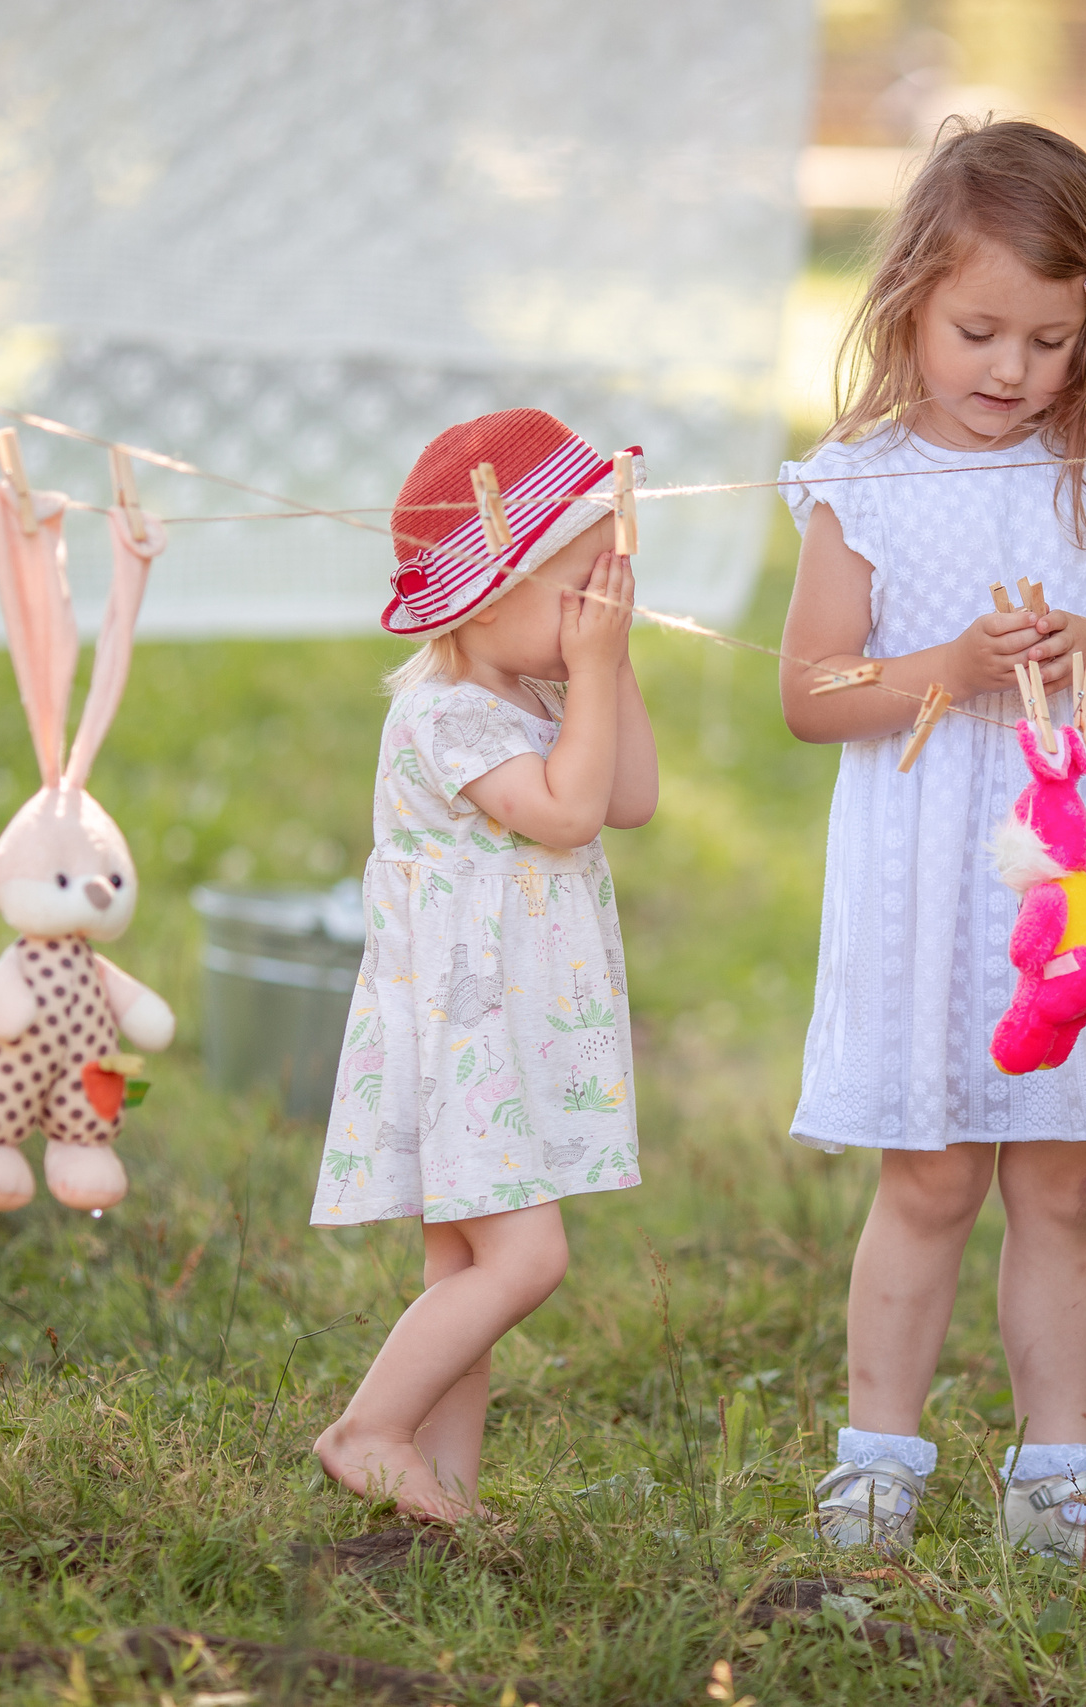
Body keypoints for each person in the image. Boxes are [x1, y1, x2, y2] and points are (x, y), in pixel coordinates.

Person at [777, 118, 1086, 1564]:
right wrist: (953, 671)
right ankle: (878, 1464)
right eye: (978, 330)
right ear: (908, 297)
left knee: (1068, 1178)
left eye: (1047, 338)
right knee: (934, 1172)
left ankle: (1059, 1480)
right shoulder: (865, 476)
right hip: (929, 876)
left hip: (1077, 875)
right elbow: (810, 691)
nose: (1012, 371)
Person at [312, 409, 657, 1521]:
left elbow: (630, 800)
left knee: (462, 1272)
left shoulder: (544, 693)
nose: (593, 611)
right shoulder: (448, 715)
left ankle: (442, 1491)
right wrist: (592, 675)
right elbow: (564, 815)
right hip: (465, 1032)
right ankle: (369, 1428)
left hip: (504, 1028)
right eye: (577, 587)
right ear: (482, 592)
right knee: (524, 1262)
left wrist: (610, 664)